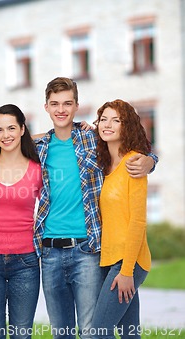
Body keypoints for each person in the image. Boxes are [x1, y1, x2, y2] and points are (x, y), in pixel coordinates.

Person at [33, 77, 157, 339]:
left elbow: (140, 150)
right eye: (54, 104)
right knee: (121, 332)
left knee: (95, 332)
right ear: (46, 107)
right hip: (52, 251)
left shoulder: (96, 141)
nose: (61, 109)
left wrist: (150, 160)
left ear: (77, 106)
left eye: (67, 103)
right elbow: (8, 138)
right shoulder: (41, 147)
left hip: (89, 250)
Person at [0, 104, 42, 339]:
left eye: (11, 128)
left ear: (23, 129)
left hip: (25, 262)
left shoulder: (37, 169)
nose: (6, 135)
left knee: (21, 334)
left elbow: (49, 209)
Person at [91, 100, 152, 339]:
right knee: (129, 335)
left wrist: (127, 271)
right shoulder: (104, 165)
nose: (108, 125)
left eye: (116, 120)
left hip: (128, 262)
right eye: (104, 119)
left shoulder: (134, 163)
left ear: (127, 127)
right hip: (109, 260)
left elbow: (138, 221)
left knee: (98, 332)